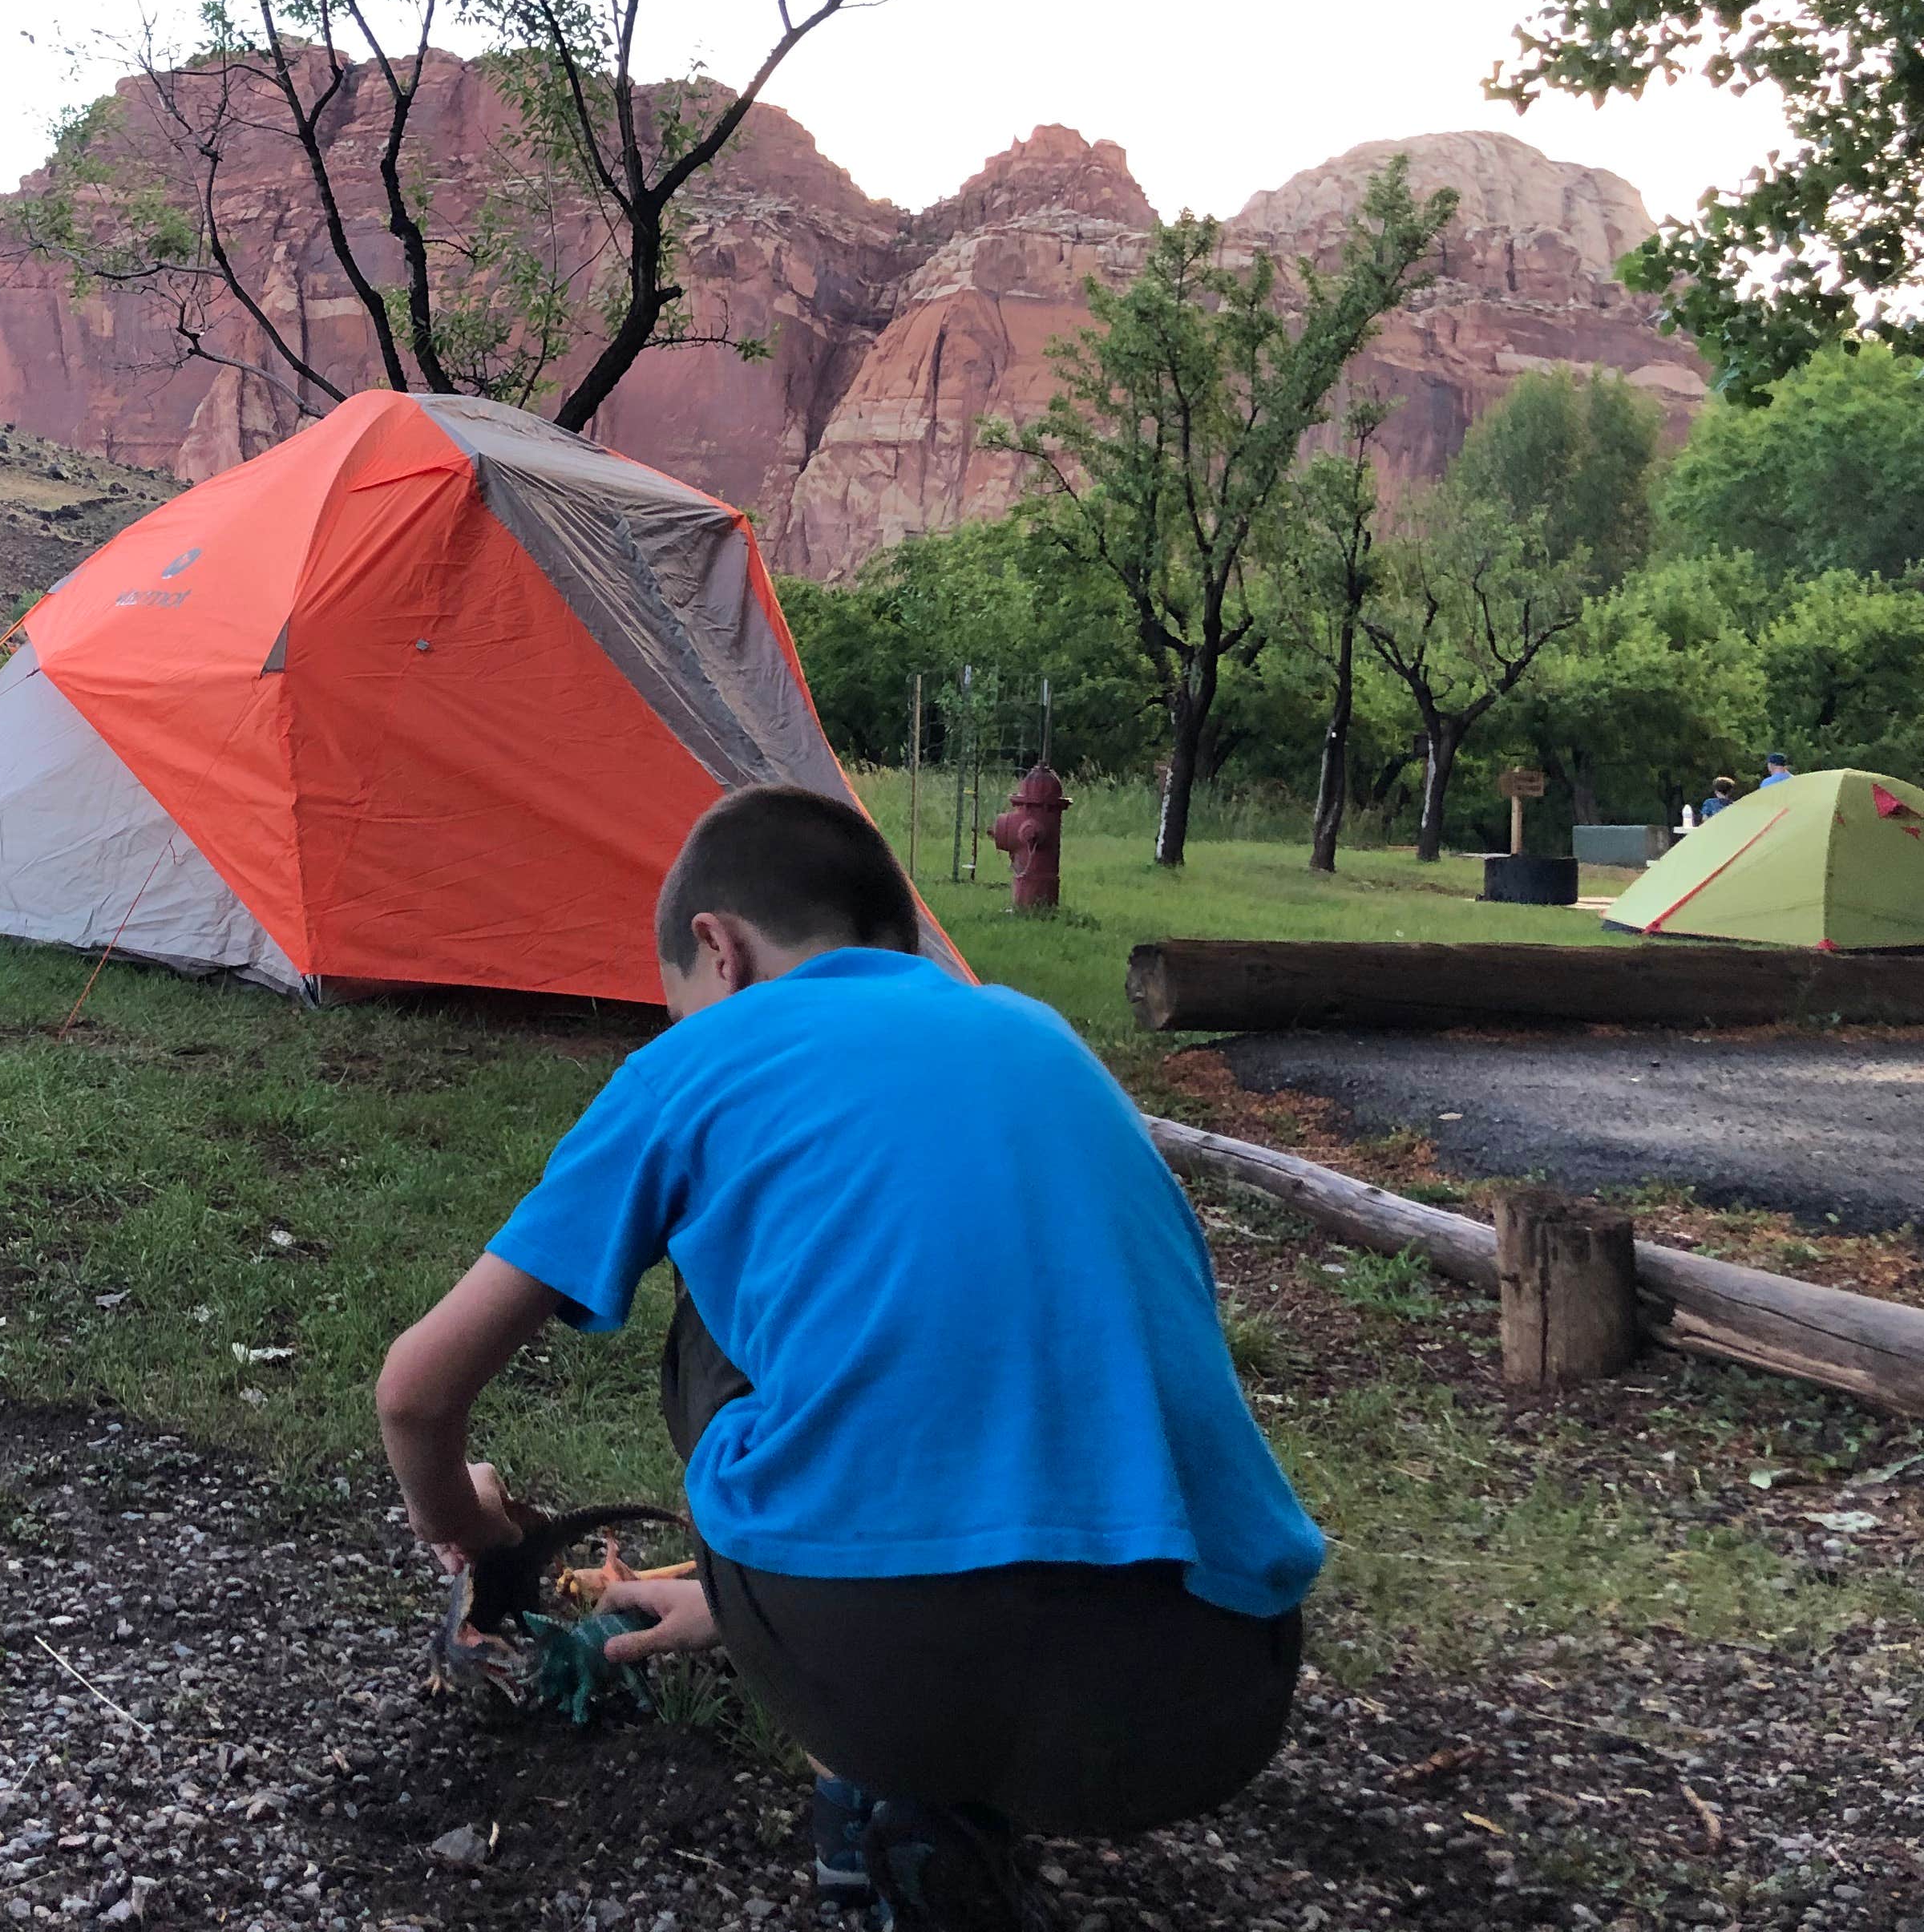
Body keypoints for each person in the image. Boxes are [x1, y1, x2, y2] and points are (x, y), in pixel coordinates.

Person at [376, 787, 1323, 1930]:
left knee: (718, 1312)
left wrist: (476, 1533)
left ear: (717, 950)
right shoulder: (1043, 1040)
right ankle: (932, 1813)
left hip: (888, 1676)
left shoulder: (699, 1061)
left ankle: (871, 1815)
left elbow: (416, 1393)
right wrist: (731, 1608)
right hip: (1209, 1695)